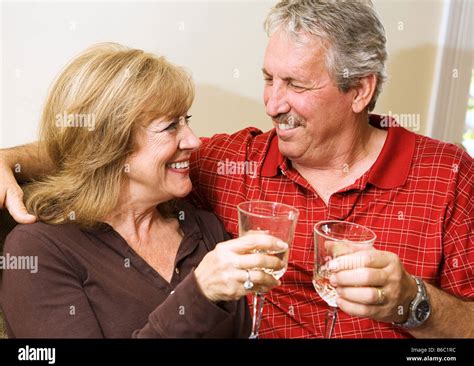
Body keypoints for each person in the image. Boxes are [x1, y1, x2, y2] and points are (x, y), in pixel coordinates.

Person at [1, 1, 473, 338]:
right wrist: (6, 160)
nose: (271, 103)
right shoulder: (227, 164)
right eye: (268, 78)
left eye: (295, 84)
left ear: (360, 91)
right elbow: (107, 143)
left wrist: (414, 303)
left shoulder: (449, 176)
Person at [0, 42, 287, 338]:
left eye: (185, 121)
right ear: (111, 144)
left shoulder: (204, 229)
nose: (193, 141)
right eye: (169, 127)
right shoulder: (40, 249)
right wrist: (198, 294)